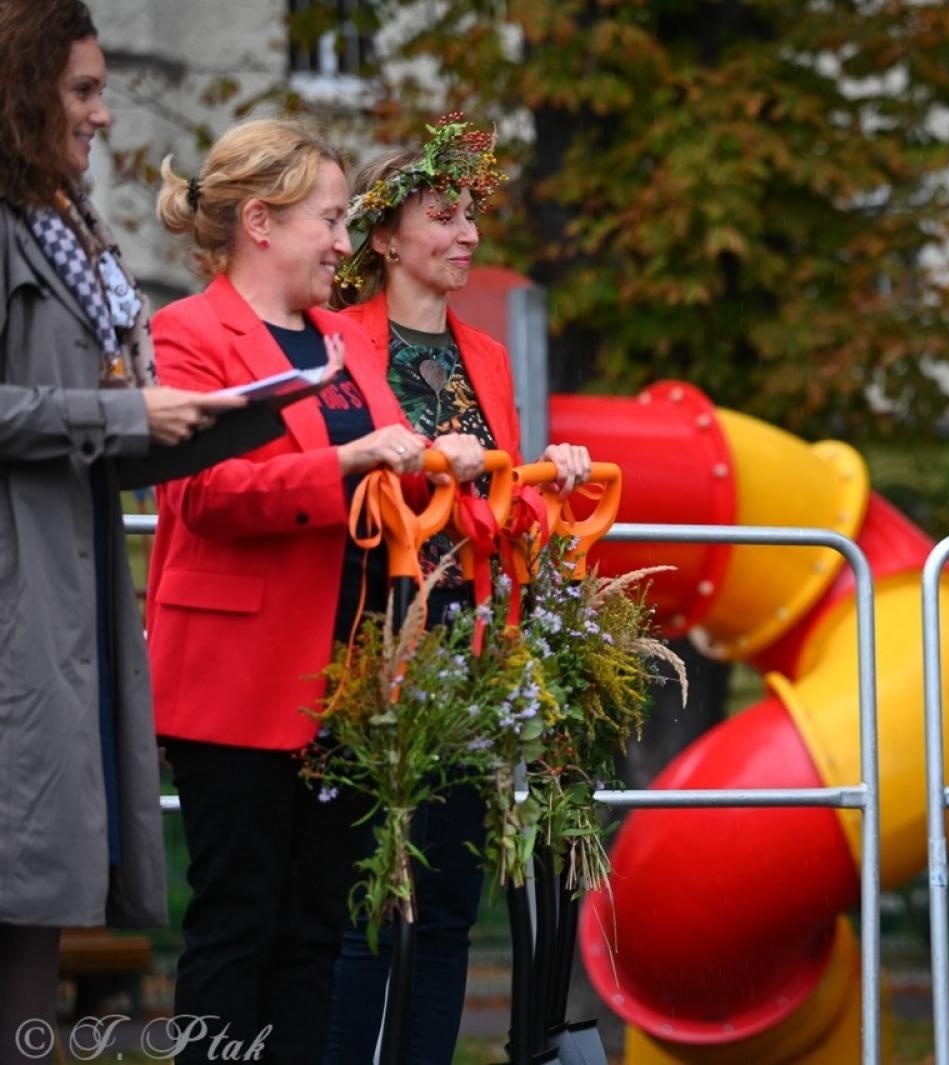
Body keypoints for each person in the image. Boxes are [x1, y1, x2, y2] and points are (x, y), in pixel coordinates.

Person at [144, 116, 487, 1064]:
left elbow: (387, 477)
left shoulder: (340, 337)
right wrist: (350, 460)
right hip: (235, 682)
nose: (344, 241)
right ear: (261, 221)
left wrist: (439, 461)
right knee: (237, 924)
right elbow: (202, 495)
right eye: (330, 221)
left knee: (313, 934)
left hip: (343, 678)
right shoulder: (187, 332)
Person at [0, 3, 257, 1057]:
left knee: (32, 903)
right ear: (22, 93)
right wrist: (120, 417)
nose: (103, 114)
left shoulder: (66, 227)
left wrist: (216, 422)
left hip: (67, 600)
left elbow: (100, 423)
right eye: (83, 90)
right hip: (20, 602)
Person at [323, 119, 590, 1064]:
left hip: (469, 636)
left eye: (471, 214)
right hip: (371, 626)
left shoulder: (488, 354)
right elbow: (339, 479)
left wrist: (552, 471)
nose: (468, 232)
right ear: (385, 236)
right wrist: (441, 465)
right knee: (368, 894)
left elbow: (503, 507)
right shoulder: (339, 340)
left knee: (445, 900)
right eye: (444, 214)